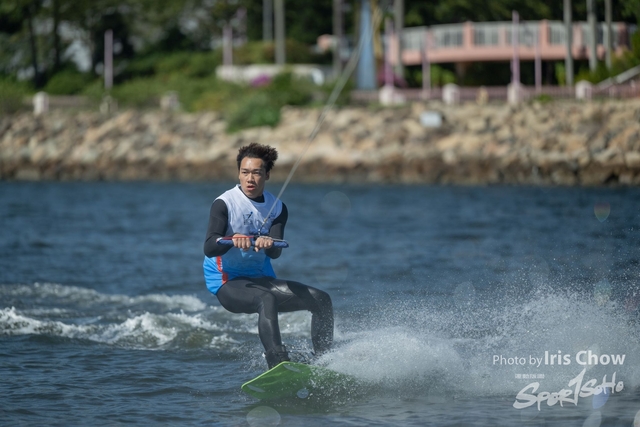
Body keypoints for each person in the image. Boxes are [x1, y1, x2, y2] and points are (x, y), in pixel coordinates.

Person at [203, 143, 333, 369]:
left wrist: (268, 244)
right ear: (238, 174)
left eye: (256, 173)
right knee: (267, 299)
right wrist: (232, 238)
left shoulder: (278, 208)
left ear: (267, 175)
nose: (250, 179)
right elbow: (209, 247)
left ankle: (325, 362)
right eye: (245, 172)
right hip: (226, 281)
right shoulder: (224, 203)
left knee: (321, 300)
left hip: (261, 278)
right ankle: (278, 364)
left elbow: (275, 252)